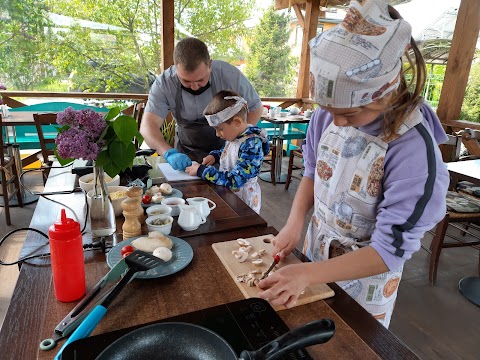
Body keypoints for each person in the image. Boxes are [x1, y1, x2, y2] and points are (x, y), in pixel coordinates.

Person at [257, 0, 450, 329]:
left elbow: (388, 251)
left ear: (385, 93)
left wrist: (308, 273)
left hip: (367, 279)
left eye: (349, 114)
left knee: (347, 341)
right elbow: (313, 173)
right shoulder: (326, 116)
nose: (338, 123)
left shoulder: (414, 152)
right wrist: (294, 223)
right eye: (329, 110)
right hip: (316, 250)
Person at [141, 37, 263, 170]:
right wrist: (168, 152)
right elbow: (148, 126)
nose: (194, 87)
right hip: (185, 153)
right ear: (176, 68)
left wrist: (235, 141)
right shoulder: (164, 84)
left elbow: (255, 108)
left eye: (200, 80)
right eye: (186, 81)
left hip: (225, 152)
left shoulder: (229, 76)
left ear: (210, 65)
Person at [185, 90, 269, 214]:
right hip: (229, 196)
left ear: (237, 122)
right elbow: (229, 152)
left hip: (244, 205)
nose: (217, 134)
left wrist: (202, 171)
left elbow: (235, 180)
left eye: (220, 129)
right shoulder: (235, 136)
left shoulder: (252, 146)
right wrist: (215, 156)